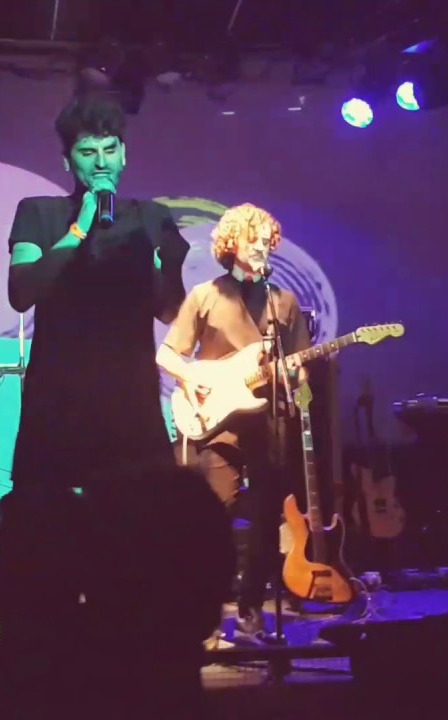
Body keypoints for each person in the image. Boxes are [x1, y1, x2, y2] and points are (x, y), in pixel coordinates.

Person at [6, 92, 190, 492]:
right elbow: (21, 292)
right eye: (88, 152)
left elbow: (168, 311)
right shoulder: (39, 212)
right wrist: (79, 229)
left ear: (124, 155)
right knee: (51, 516)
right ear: (67, 161)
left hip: (131, 399)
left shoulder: (151, 217)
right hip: (59, 398)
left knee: (139, 514)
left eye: (110, 150)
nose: (101, 162)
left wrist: (171, 264)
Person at [156, 203, 311, 640]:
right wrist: (195, 378)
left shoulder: (283, 302)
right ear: (231, 244)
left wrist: (298, 387)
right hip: (218, 423)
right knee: (214, 516)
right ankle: (203, 612)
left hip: (269, 423)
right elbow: (167, 354)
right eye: (252, 237)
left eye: (267, 238)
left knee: (265, 522)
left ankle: (250, 611)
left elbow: (300, 367)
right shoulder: (205, 295)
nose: (261, 244)